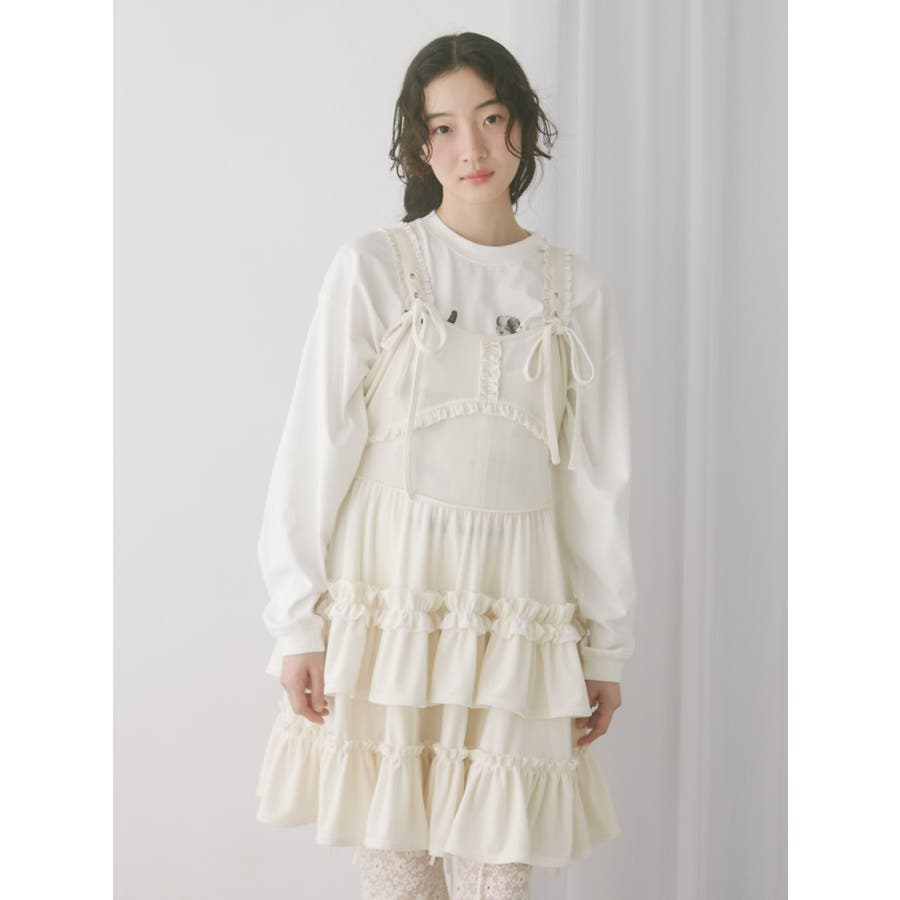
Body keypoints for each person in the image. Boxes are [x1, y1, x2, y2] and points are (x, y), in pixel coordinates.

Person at [253, 31, 637, 900]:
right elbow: (313, 447)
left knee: (500, 878)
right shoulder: (375, 268)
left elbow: (597, 482)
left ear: (522, 126)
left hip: (518, 610)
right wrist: (297, 623)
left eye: (491, 119)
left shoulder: (577, 291)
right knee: (399, 879)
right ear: (420, 148)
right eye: (445, 127)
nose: (472, 147)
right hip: (389, 602)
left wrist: (605, 644)